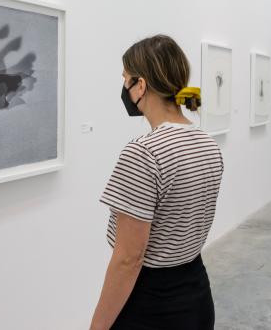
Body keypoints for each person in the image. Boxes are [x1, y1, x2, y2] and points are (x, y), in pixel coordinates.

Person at [89, 34, 224, 330]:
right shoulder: (208, 144)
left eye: (126, 79)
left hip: (152, 306)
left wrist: (97, 327)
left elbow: (129, 259)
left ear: (141, 85)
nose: (124, 88)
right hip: (197, 295)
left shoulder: (143, 152)